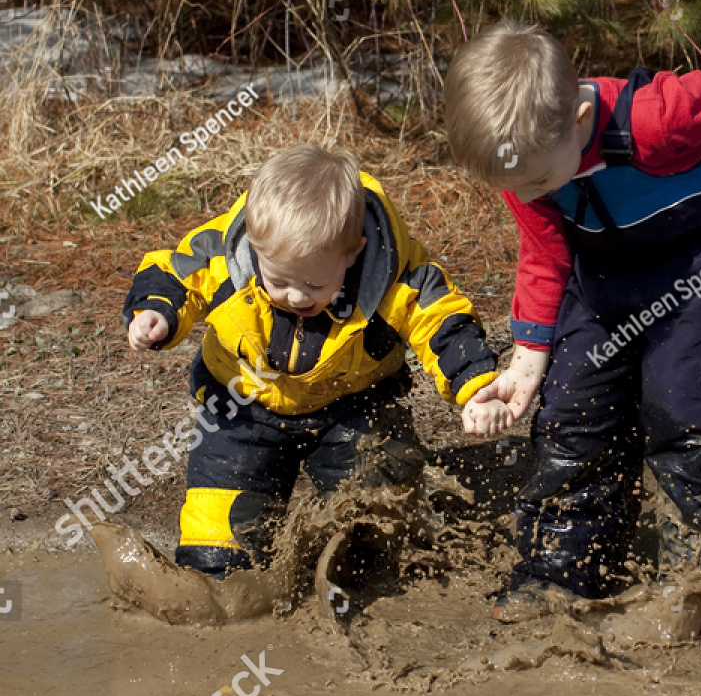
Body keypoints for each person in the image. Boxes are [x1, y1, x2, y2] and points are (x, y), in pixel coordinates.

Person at [445, 22, 701, 624]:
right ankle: (563, 572)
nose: (529, 192)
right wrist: (526, 365)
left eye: (537, 180)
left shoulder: (659, 116)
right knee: (572, 414)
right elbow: (544, 257)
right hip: (606, 275)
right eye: (516, 185)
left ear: (583, 119)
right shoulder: (528, 164)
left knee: (688, 411)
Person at [124, 143, 498, 577]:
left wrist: (477, 387)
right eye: (279, 279)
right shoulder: (225, 254)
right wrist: (156, 312)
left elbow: (442, 322)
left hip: (354, 406)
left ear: (353, 253)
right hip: (243, 408)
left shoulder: (398, 276)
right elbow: (175, 273)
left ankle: (361, 570)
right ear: (256, 246)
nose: (297, 296)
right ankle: (225, 573)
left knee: (378, 534)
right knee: (218, 551)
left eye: (316, 283)